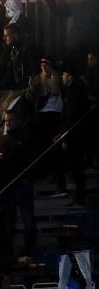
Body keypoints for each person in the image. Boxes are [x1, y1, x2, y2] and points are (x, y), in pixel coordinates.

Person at [0, 108, 37, 257]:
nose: (8, 123)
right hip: (8, 185)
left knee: (28, 221)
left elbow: (28, 159)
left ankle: (29, 251)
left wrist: (5, 159)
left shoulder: (27, 137)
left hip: (22, 182)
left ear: (18, 120)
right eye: (6, 121)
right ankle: (9, 253)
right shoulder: (4, 139)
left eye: (10, 120)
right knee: (9, 222)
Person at [57, 64, 89, 205]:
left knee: (77, 167)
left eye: (63, 75)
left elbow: (72, 114)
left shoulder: (75, 91)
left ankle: (80, 197)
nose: (62, 78)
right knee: (74, 167)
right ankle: (77, 195)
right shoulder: (70, 91)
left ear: (69, 76)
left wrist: (65, 134)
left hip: (76, 135)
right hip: (72, 134)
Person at [0, 23, 37, 95]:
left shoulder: (28, 49)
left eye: (7, 35)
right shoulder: (9, 50)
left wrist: (32, 84)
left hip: (27, 89)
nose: (4, 38)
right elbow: (1, 68)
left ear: (15, 35)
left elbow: (33, 68)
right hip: (13, 89)